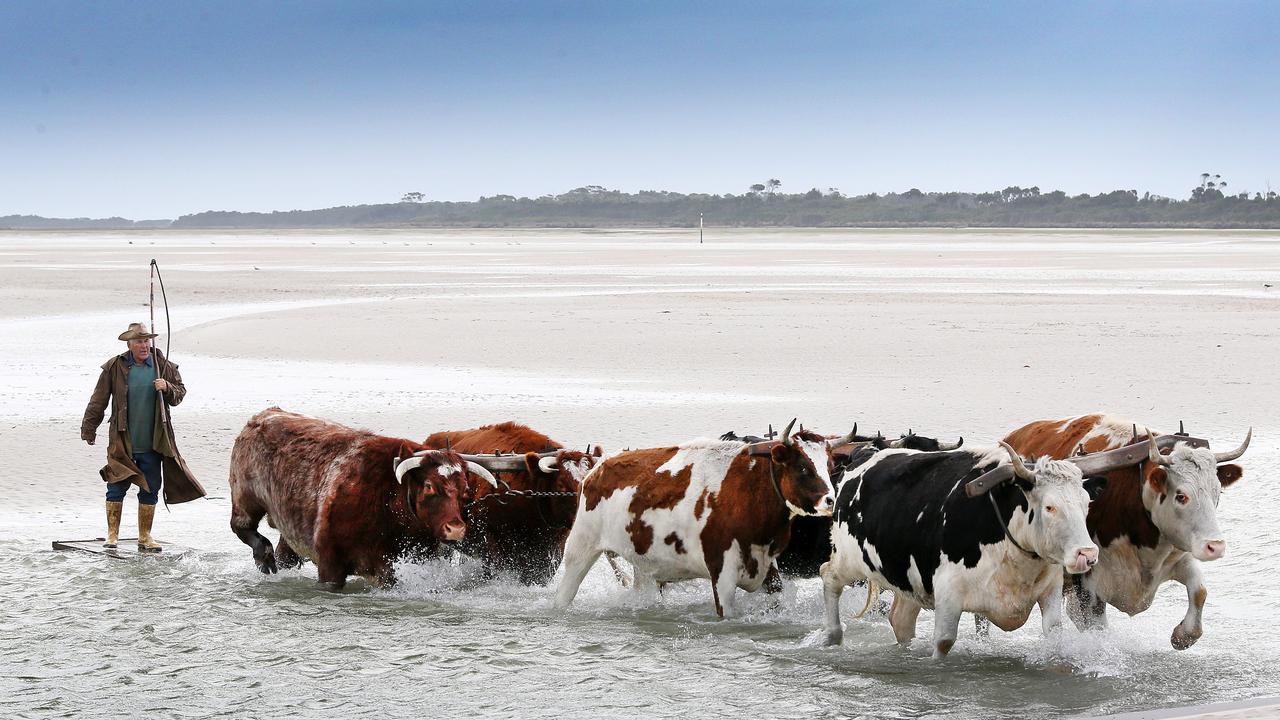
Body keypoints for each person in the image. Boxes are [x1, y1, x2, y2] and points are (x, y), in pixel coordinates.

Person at [81, 322, 205, 552]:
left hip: (154, 441)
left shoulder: (162, 366)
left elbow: (179, 395)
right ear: (129, 344)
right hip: (122, 442)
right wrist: (89, 429)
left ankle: (145, 537)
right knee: (116, 486)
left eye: (146, 340)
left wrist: (167, 386)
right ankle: (112, 536)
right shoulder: (114, 367)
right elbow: (98, 400)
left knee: (151, 488)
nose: (144, 345)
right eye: (139, 341)